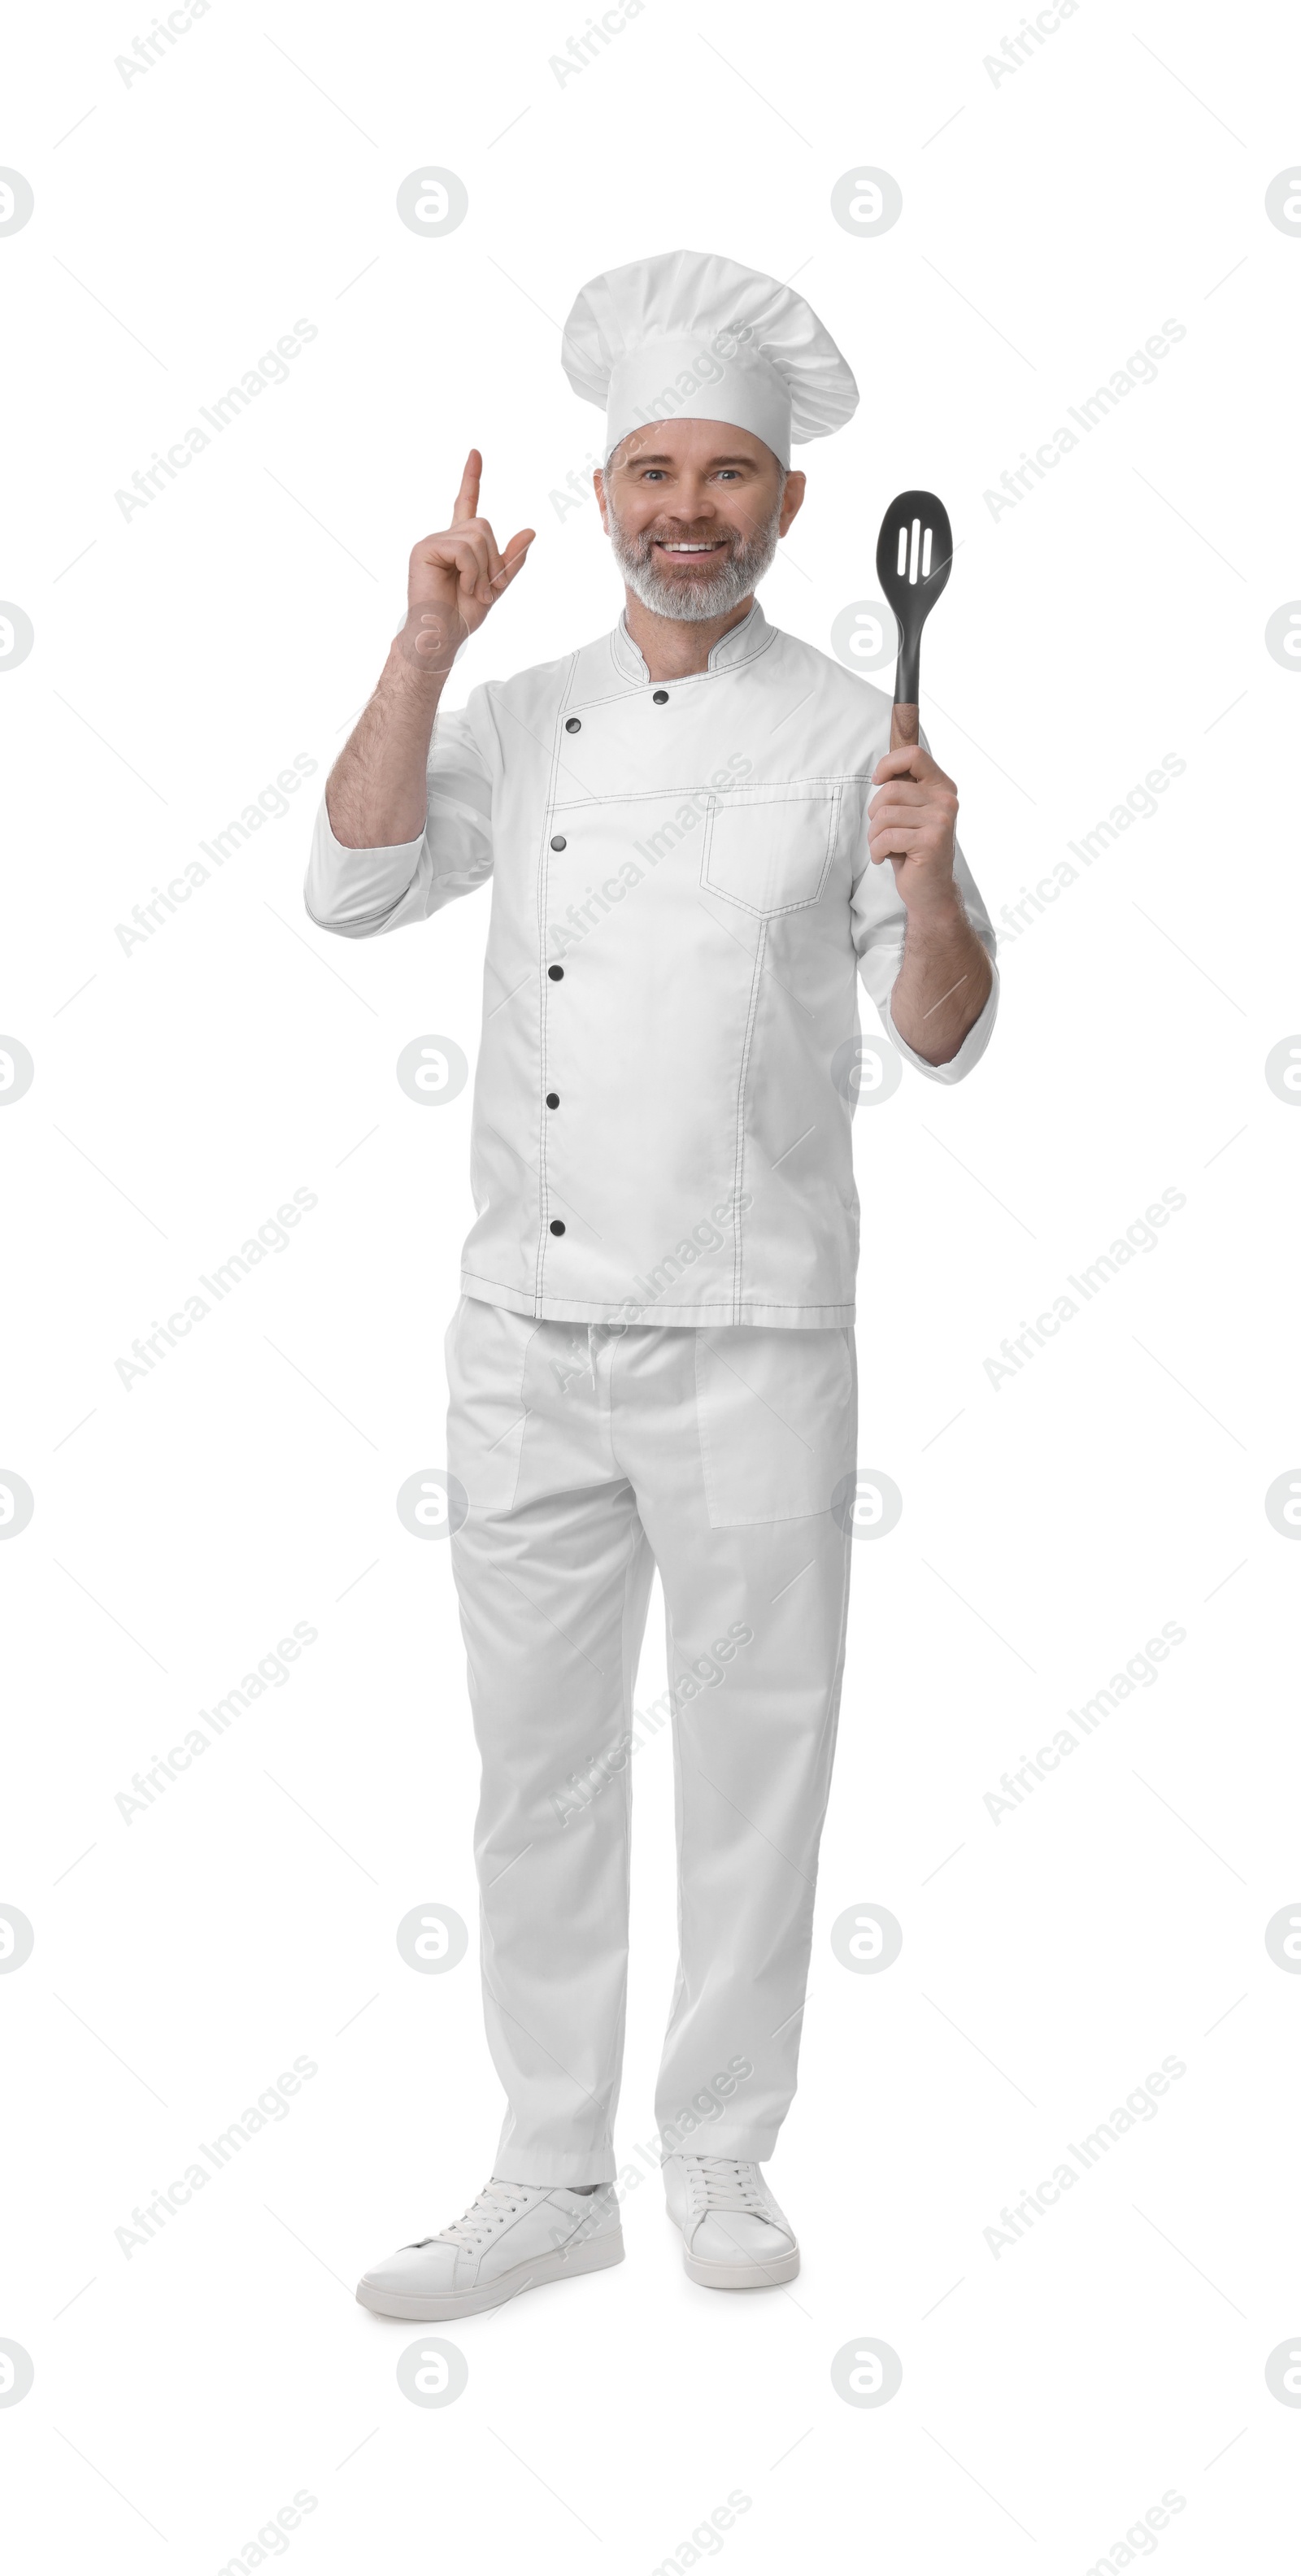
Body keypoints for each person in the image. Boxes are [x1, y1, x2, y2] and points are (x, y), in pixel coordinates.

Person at [304, 249, 999, 2320]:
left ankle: (713, 2155)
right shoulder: (514, 718)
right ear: (601, 499)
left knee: (757, 1747)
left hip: (757, 1329)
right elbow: (348, 881)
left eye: (723, 477)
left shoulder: (858, 734)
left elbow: (945, 1032)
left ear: (786, 512)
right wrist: (424, 642)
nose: (682, 509)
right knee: (535, 1764)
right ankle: (546, 2174)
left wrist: (934, 868)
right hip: (520, 1333)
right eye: (646, 474)